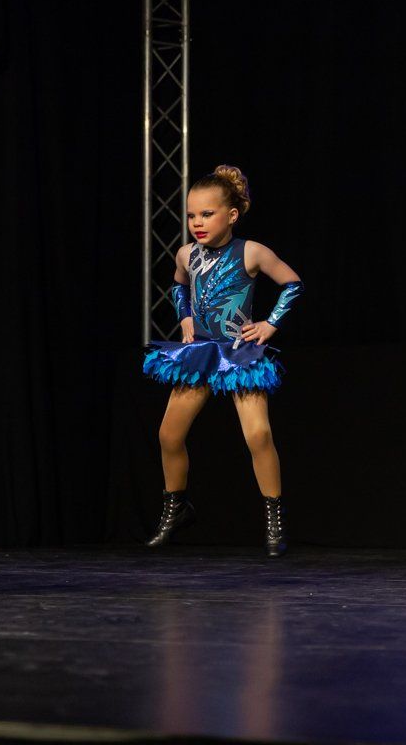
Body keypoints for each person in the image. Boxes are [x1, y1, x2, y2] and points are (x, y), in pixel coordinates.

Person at [143, 165, 303, 557]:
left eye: (207, 214)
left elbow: (292, 283)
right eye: (191, 215)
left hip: (239, 352)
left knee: (258, 435)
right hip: (201, 352)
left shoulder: (251, 252)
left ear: (231, 215)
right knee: (168, 435)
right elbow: (179, 284)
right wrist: (184, 315)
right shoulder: (186, 254)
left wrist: (270, 323)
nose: (197, 223)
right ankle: (177, 507)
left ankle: (274, 517)